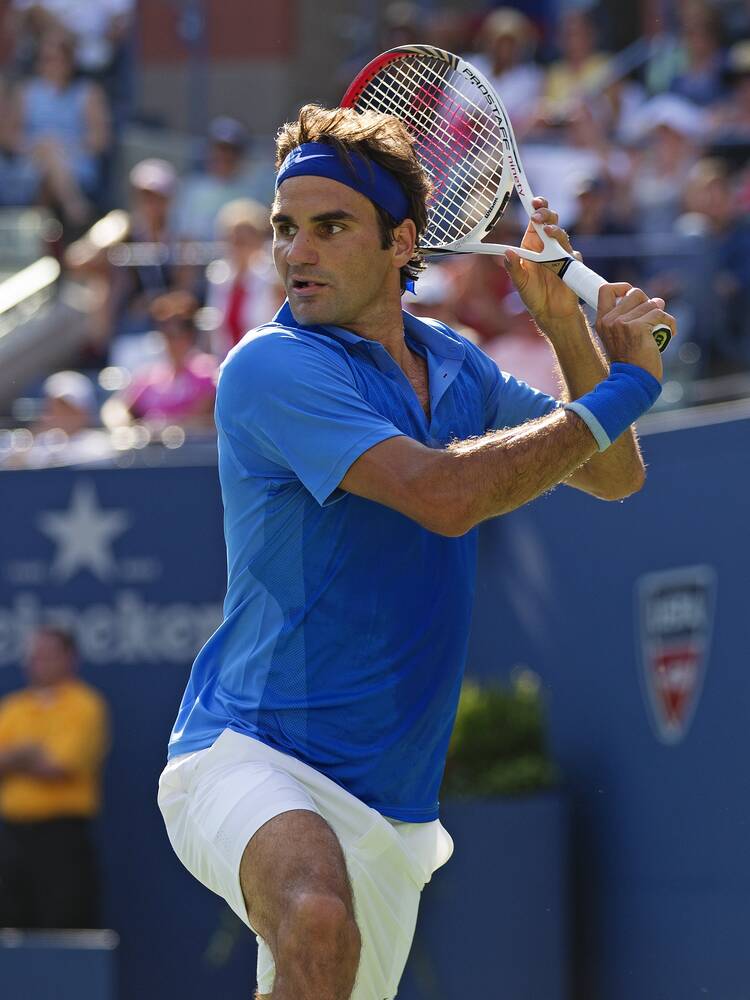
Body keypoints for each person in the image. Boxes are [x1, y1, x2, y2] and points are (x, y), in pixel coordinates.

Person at [157, 104, 675, 1000]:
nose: (296, 253)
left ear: (402, 244)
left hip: (390, 807)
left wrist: (566, 331)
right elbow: (446, 496)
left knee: (322, 961)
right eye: (285, 229)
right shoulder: (269, 367)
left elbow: (614, 474)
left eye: (330, 227)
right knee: (316, 915)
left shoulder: (459, 366)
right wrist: (629, 379)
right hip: (247, 749)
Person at [0, 625, 110, 929]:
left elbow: (60, 767)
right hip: (12, 837)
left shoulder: (85, 705)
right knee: (10, 924)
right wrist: (31, 753)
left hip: (62, 837)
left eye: (48, 655)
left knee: (65, 921)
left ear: (69, 659)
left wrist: (15, 758)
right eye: (34, 656)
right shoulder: (12, 708)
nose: (39, 662)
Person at [205, 198, 282, 359]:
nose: (237, 247)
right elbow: (215, 329)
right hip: (226, 362)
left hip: (263, 360)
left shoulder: (272, 279)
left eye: (243, 241)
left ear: (258, 241)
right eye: (232, 240)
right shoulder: (218, 277)